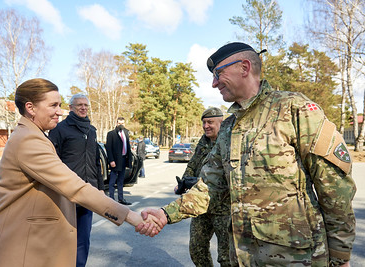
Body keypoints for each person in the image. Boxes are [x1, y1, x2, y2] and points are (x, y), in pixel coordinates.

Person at [140, 42, 356, 267]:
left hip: (298, 258)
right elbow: (211, 186)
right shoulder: (228, 127)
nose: (214, 83)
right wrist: (166, 214)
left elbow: (334, 187)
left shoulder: (294, 109)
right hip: (242, 258)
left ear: (244, 67)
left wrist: (341, 256)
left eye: (218, 74)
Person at [0, 78, 159, 267]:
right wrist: (131, 216)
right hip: (13, 252)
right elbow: (74, 187)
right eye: (53, 105)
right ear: (31, 107)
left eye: (60, 105)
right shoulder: (29, 141)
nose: (60, 112)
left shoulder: (34, 135)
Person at [48, 94, 102, 267]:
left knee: (83, 238)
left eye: (86, 105)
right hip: (66, 192)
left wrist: (100, 188)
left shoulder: (92, 130)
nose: (83, 108)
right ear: (70, 108)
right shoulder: (59, 129)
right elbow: (52, 161)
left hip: (88, 192)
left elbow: (95, 161)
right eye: (79, 105)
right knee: (64, 237)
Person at [177, 107, 231, 267]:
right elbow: (194, 162)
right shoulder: (204, 141)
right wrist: (184, 181)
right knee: (196, 248)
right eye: (204, 123)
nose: (206, 126)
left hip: (224, 208)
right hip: (201, 205)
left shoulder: (229, 140)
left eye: (210, 122)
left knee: (226, 256)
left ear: (221, 122)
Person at [106, 117, 133, 205]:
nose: (121, 125)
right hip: (115, 160)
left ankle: (121, 199)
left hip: (124, 159)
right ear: (116, 123)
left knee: (121, 181)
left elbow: (127, 146)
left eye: (122, 123)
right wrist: (111, 160)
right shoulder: (111, 134)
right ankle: (111, 199)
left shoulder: (126, 133)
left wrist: (129, 159)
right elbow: (108, 148)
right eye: (119, 123)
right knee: (113, 181)